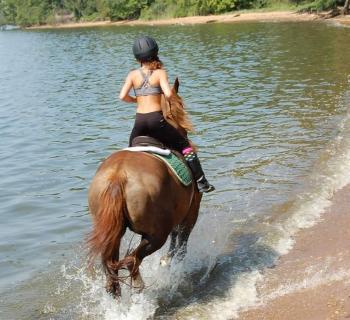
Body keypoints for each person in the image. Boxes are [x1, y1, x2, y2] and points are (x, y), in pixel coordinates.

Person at [119, 35, 214, 193]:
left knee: (131, 151)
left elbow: (122, 96)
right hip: (157, 121)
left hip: (140, 122)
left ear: (137, 59)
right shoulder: (160, 73)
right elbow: (169, 95)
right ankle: (201, 181)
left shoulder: (132, 75)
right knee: (186, 147)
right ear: (155, 53)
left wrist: (137, 100)